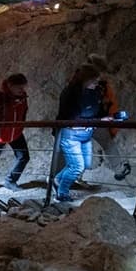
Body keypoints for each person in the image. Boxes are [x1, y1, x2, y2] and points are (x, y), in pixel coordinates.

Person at [54, 64, 109, 202]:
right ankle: (62, 194)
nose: (97, 83)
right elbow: (71, 117)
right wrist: (98, 120)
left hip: (86, 134)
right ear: (86, 79)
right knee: (77, 167)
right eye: (94, 80)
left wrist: (105, 117)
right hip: (70, 134)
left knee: (83, 164)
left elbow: (97, 109)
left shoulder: (94, 92)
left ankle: (57, 180)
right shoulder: (70, 93)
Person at [83, 53, 131, 182]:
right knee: (103, 144)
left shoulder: (100, 85)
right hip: (88, 120)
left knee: (103, 143)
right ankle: (119, 169)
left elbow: (110, 103)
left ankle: (68, 176)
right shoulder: (94, 84)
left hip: (95, 121)